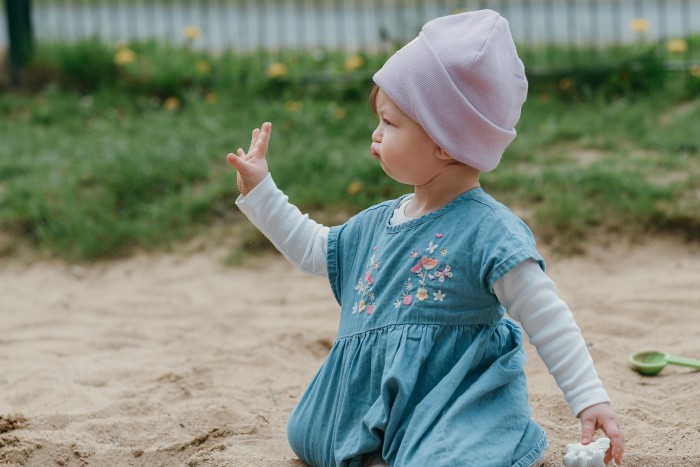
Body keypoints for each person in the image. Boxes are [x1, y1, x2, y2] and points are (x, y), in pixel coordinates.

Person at [227, 9, 624, 467]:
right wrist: (262, 192)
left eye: (390, 123)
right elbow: (314, 250)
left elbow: (548, 319)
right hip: (372, 393)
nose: (375, 134)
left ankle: (489, 444)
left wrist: (590, 399)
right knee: (307, 432)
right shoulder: (378, 222)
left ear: (444, 142)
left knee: (449, 456)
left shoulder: (489, 231)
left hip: (450, 400)